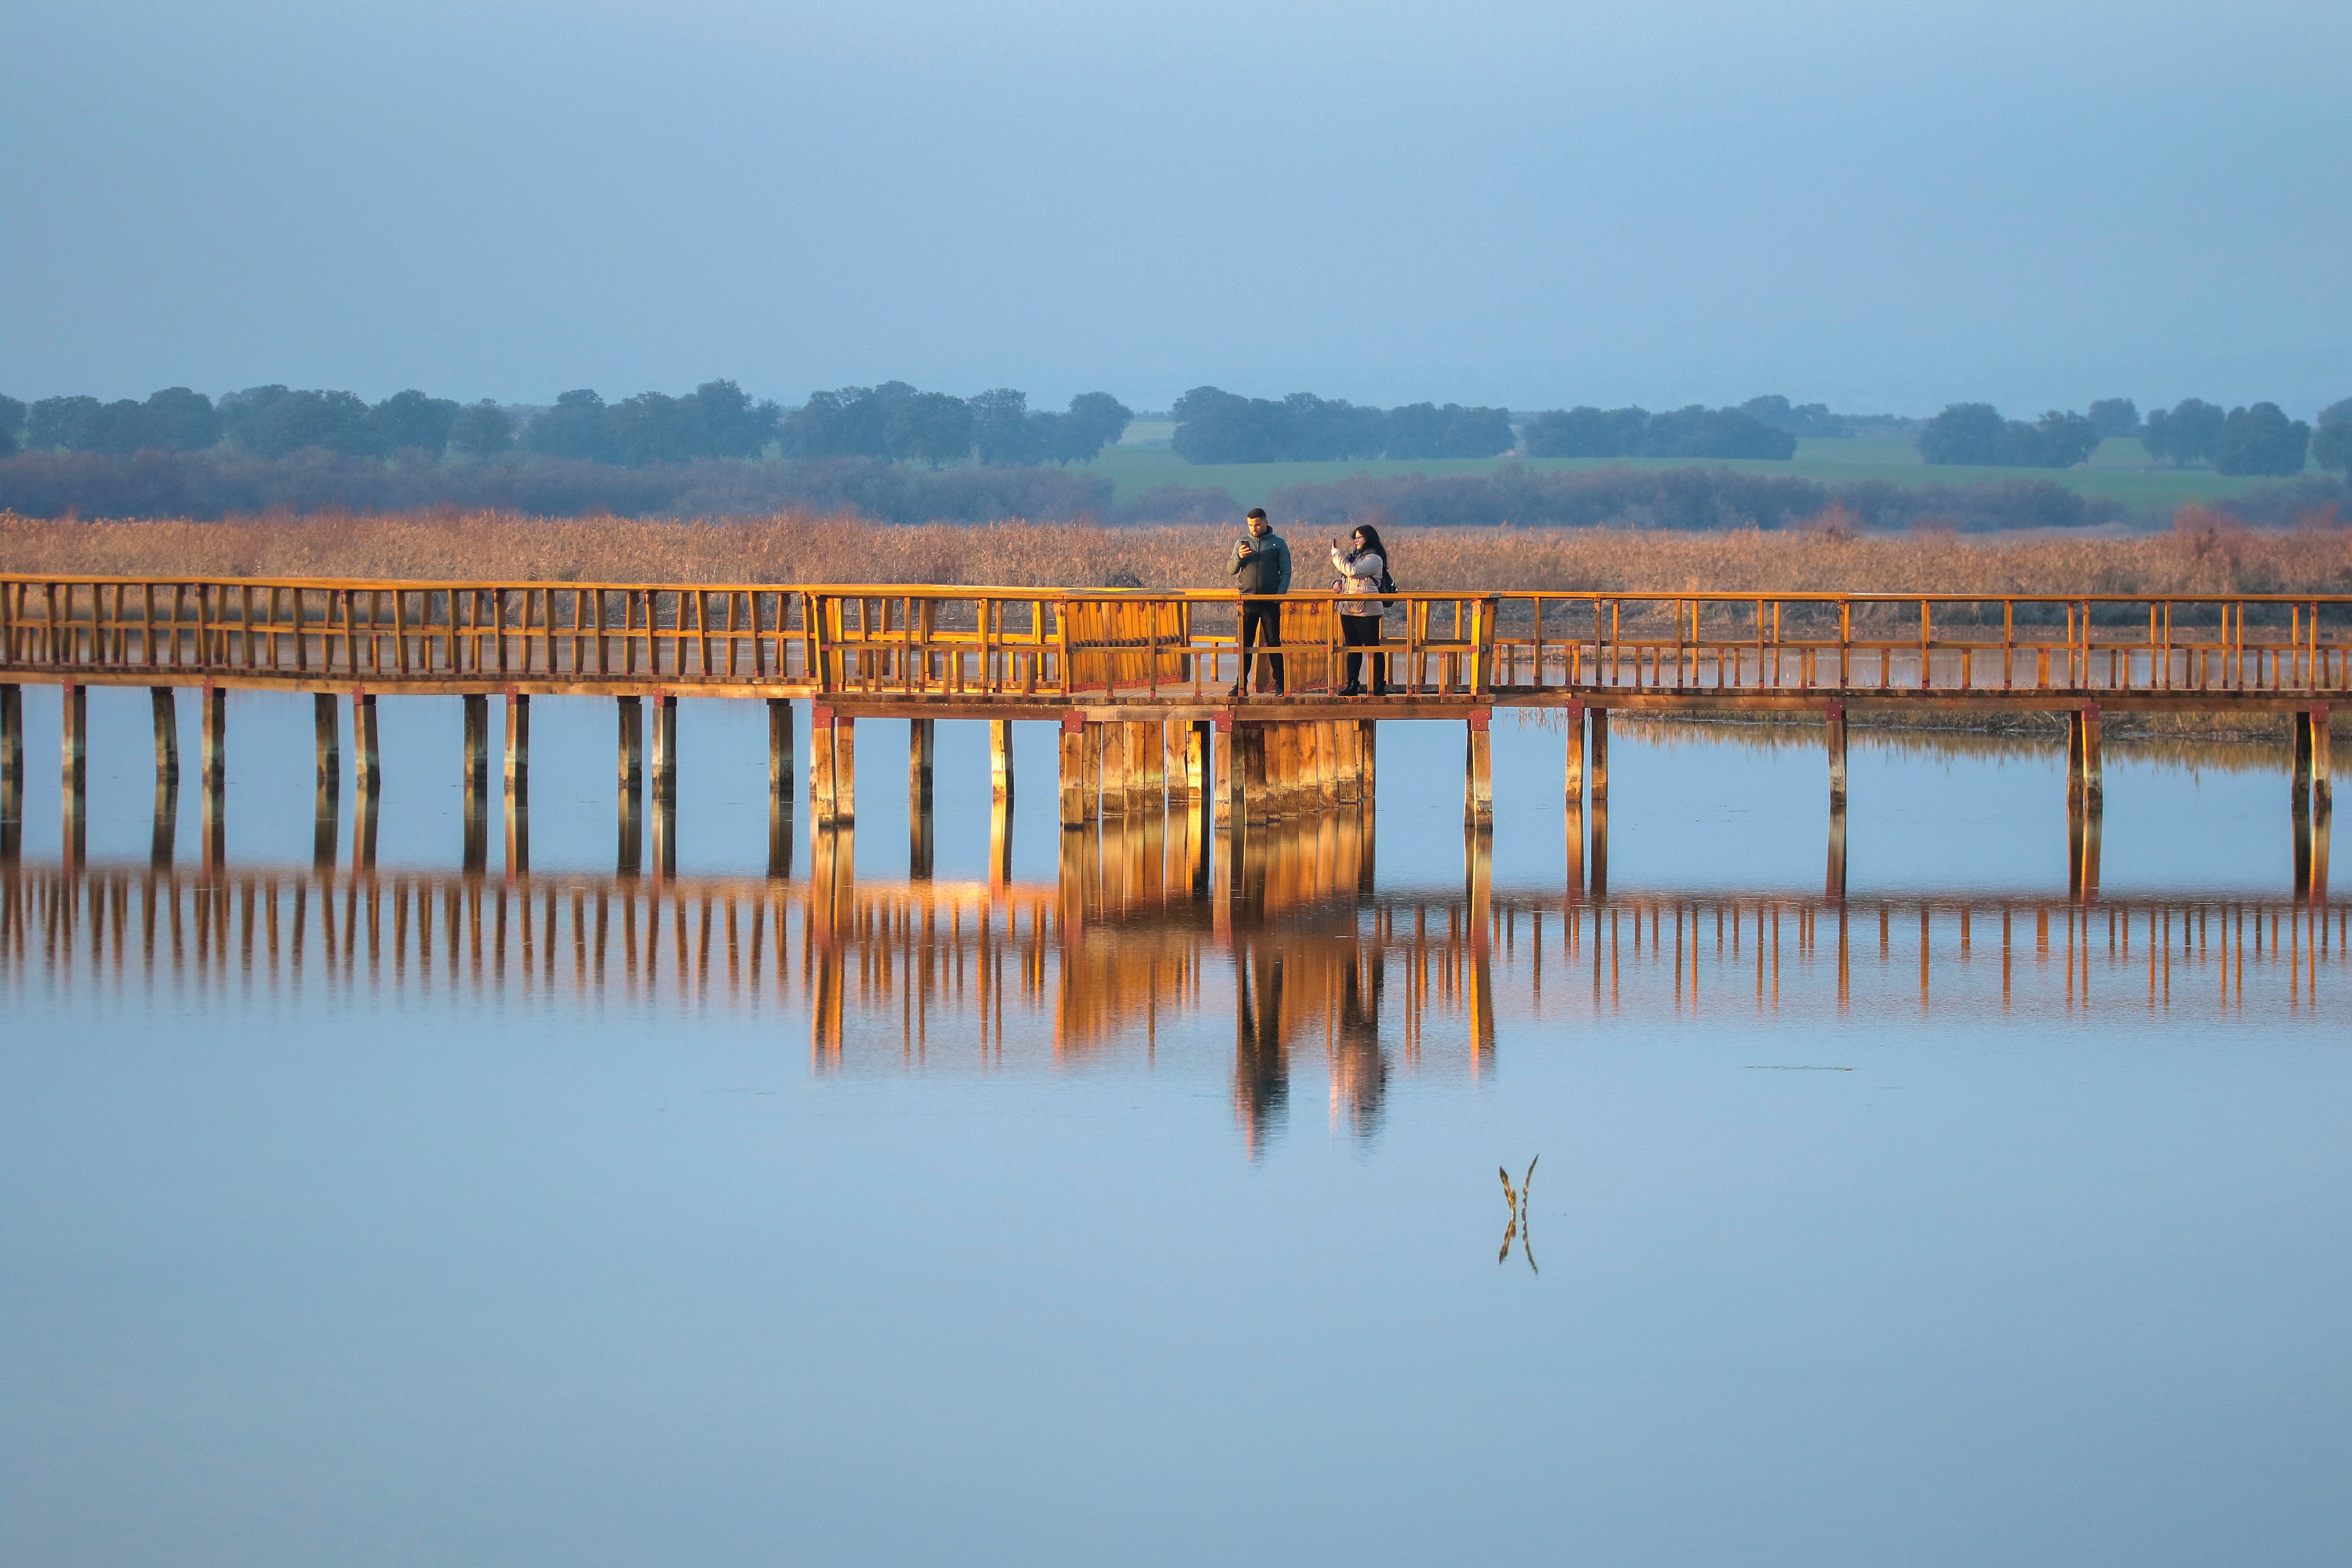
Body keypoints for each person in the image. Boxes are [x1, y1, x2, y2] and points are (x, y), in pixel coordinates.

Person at [1227, 507, 1291, 697]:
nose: (1254, 529)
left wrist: (1279, 596)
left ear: (1265, 522)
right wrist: (1240, 556)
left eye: (1257, 524)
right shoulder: (1242, 543)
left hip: (1269, 601)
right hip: (1247, 601)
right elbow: (1231, 569)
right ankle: (1240, 686)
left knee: (1273, 643)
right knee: (1245, 645)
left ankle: (1280, 684)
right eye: (1250, 525)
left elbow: (1286, 572)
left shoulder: (1278, 544)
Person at [1329, 523, 1389, 695]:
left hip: (1367, 609)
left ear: (1368, 538)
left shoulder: (1374, 558)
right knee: (1352, 648)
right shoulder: (1355, 556)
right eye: (1354, 537)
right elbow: (1346, 575)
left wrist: (1336, 556)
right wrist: (1337, 583)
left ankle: (1379, 684)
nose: (1356, 540)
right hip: (1348, 608)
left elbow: (1353, 572)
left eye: (1359, 537)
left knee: (1373, 646)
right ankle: (1352, 684)